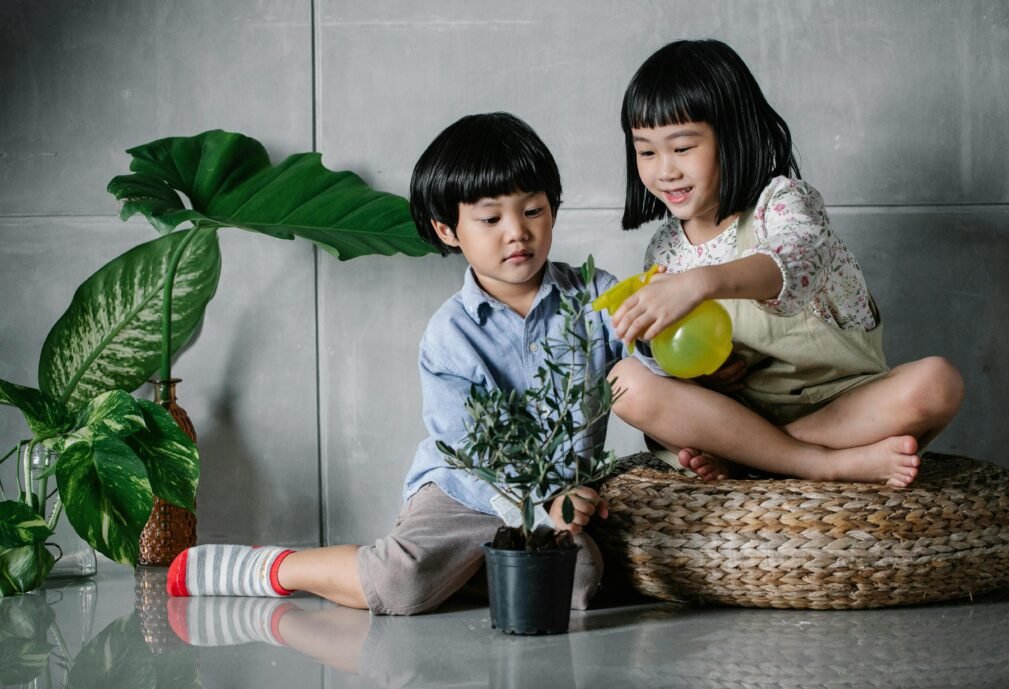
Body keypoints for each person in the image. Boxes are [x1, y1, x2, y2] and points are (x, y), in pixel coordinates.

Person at [166, 112, 625, 614]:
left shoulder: (595, 297)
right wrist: (537, 508)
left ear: (553, 211)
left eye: (532, 210)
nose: (517, 232)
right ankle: (278, 567)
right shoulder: (451, 335)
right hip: (464, 493)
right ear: (448, 231)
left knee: (580, 584)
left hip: (557, 502)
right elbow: (467, 452)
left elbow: (647, 370)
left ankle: (463, 571)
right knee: (401, 582)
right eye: (491, 219)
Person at [608, 39, 963, 487]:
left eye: (682, 148)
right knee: (626, 382)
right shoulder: (664, 250)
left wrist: (699, 284)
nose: (665, 170)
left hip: (843, 406)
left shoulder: (785, 202)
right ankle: (817, 463)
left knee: (938, 382)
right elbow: (677, 363)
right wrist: (705, 381)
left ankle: (765, 455)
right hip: (737, 414)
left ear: (733, 136)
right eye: (646, 151)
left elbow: (794, 264)